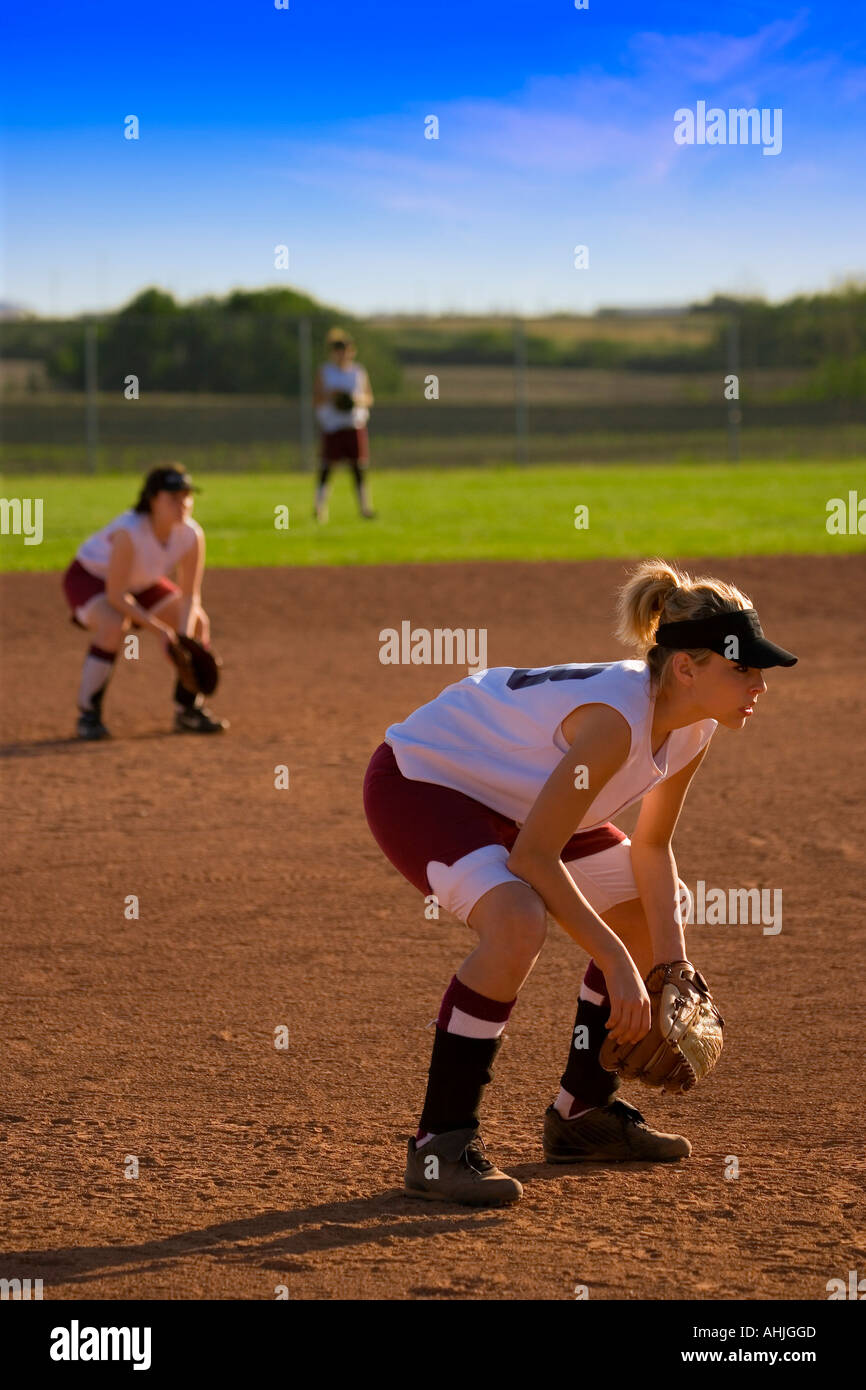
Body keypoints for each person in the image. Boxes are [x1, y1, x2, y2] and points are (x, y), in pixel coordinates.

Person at [363, 559, 797, 1206]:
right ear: (686, 667)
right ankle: (438, 1148)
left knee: (655, 908)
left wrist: (671, 964)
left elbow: (653, 846)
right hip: (429, 783)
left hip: (526, 799)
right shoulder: (615, 724)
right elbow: (536, 858)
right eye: (742, 668)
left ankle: (582, 1115)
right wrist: (619, 963)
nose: (758, 683)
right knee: (516, 923)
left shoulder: (695, 724)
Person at [61, 465, 228, 740]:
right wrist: (162, 633)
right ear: (153, 500)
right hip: (92, 578)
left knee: (198, 623)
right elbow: (116, 596)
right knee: (114, 622)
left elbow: (190, 595)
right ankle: (88, 714)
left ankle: (187, 710)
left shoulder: (191, 534)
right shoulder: (130, 532)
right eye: (173, 497)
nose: (183, 503)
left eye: (187, 495)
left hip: (141, 582)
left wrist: (183, 639)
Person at [313, 327, 376, 522]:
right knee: (327, 467)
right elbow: (315, 399)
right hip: (333, 425)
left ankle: (365, 507)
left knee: (358, 467)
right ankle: (319, 508)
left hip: (353, 424)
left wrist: (355, 399)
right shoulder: (325, 372)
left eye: (347, 350)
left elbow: (369, 398)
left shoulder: (358, 372)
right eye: (339, 350)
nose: (343, 355)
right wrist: (333, 396)